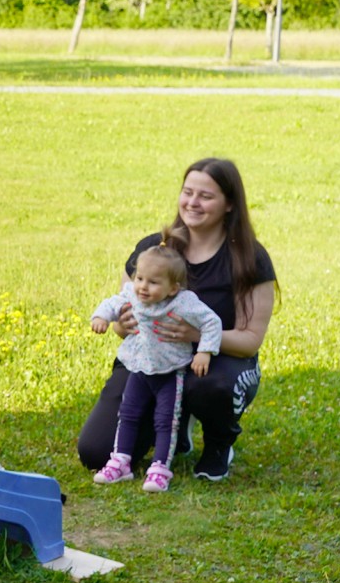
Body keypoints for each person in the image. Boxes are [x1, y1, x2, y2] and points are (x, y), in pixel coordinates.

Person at [76, 158, 278, 482]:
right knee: (95, 452)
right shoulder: (153, 248)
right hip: (150, 363)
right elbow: (122, 317)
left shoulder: (249, 257)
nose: (193, 203)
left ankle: (217, 445)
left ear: (229, 204)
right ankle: (176, 422)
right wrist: (117, 324)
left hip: (214, 364)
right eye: (188, 192)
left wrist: (196, 336)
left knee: (213, 385)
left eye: (206, 196)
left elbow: (250, 338)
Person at [88, 245, 223, 493]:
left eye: (153, 282)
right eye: (139, 278)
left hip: (170, 372)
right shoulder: (132, 294)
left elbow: (212, 322)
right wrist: (101, 318)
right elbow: (113, 303)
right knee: (127, 414)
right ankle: (120, 461)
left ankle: (160, 468)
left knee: (165, 421)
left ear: (173, 288)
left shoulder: (183, 302)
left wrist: (205, 351)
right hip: (139, 368)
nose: (142, 286)